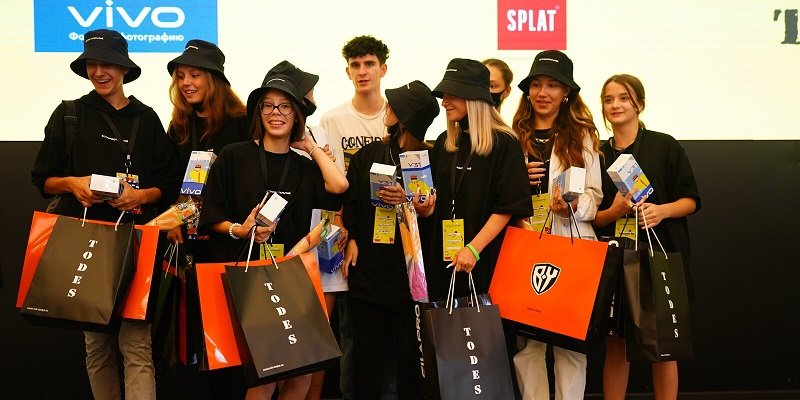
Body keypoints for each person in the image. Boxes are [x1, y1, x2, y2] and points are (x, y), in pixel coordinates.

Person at [31, 29, 182, 400]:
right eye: (92, 64)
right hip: (85, 241)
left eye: (108, 64)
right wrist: (73, 184)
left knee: (137, 345)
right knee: (97, 345)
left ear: (124, 69)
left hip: (136, 242)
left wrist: (139, 196)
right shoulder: (70, 114)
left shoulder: (146, 119)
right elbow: (43, 179)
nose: (99, 72)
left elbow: (167, 184)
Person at [199, 74, 348, 399]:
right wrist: (241, 229)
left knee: (301, 376)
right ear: (258, 113)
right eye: (267, 106)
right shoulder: (234, 156)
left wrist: (310, 146)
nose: (275, 113)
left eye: (284, 107)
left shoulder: (305, 166)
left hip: (295, 277)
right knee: (265, 378)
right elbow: (211, 216)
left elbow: (339, 188)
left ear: (297, 115)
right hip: (250, 278)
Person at [592, 74, 701, 400]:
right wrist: (614, 211)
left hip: (658, 257)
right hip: (613, 259)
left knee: (663, 347)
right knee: (615, 345)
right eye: (608, 99)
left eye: (623, 98)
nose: (615, 105)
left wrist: (662, 211)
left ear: (639, 103)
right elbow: (592, 217)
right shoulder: (596, 154)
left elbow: (691, 200)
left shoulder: (664, 145)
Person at [510, 50, 603, 400]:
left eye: (552, 85)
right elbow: (498, 197)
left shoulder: (582, 135)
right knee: (528, 345)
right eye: (536, 84)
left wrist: (574, 204)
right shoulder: (512, 134)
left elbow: (595, 196)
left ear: (566, 93)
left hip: (572, 246)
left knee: (570, 345)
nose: (543, 92)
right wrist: (517, 182)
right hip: (525, 246)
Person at [342, 80, 439, 399]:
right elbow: (351, 203)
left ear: (407, 118)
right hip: (368, 272)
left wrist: (410, 201)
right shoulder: (368, 154)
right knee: (367, 360)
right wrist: (352, 239)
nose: (386, 108)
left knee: (411, 361)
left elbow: (435, 214)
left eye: (393, 106)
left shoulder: (432, 159)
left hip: (410, 280)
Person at [265, 60, 347, 400]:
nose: (313, 98)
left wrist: (314, 149)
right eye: (308, 92)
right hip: (276, 254)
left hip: (322, 246)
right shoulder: (254, 144)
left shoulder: (318, 134)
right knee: (272, 355)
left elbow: (338, 188)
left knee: (313, 348)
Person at [319, 34, 390, 399]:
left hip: (390, 237)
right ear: (347, 72)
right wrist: (345, 229)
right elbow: (330, 182)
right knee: (349, 331)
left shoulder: (395, 115)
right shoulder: (332, 119)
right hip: (342, 229)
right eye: (356, 65)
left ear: (383, 69)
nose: (363, 71)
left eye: (369, 64)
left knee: (388, 332)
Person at [426, 57, 530, 303]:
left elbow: (507, 207)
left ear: (473, 97)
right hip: (445, 260)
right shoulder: (445, 142)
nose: (444, 102)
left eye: (452, 95)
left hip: (486, 261)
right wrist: (425, 207)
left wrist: (473, 248)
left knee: (483, 325)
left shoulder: (505, 143)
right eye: (443, 95)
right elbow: (437, 201)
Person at [165, 39, 250, 259]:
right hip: (189, 237)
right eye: (180, 76)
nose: (185, 83)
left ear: (214, 79)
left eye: (194, 75)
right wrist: (172, 219)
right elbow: (170, 179)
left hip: (232, 235)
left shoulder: (244, 122)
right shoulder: (179, 126)